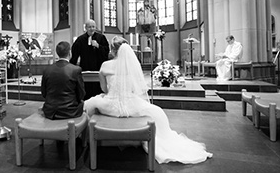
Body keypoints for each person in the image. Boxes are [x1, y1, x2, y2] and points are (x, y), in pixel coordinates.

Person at [84, 36, 213, 164]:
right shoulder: (132, 66)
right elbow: (136, 89)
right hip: (130, 105)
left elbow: (104, 90)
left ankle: (87, 142)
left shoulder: (105, 65)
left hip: (110, 106)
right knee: (158, 113)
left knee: (87, 106)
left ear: (112, 50)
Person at [41, 41, 86, 119]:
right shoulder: (76, 70)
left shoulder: (47, 70)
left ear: (57, 53)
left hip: (50, 111)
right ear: (70, 53)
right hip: (70, 112)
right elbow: (81, 94)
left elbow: (44, 93)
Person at [70, 19, 110, 99]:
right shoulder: (80, 39)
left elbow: (106, 51)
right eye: (89, 27)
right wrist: (71, 66)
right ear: (85, 28)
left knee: (98, 88)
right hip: (85, 66)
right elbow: (75, 53)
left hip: (98, 67)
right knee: (86, 88)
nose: (92, 29)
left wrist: (98, 46)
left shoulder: (101, 37)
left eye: (93, 27)